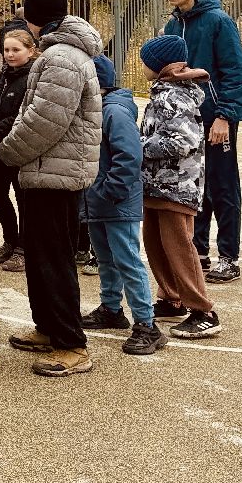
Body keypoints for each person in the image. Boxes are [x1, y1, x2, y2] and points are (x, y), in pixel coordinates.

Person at [0, 0, 102, 377]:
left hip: (55, 173)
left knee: (55, 259)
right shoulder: (59, 53)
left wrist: (8, 151)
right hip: (44, 171)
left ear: (33, 17)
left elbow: (46, 121)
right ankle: (48, 328)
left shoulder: (62, 57)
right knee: (40, 256)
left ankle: (72, 345)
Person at [163, 0, 242, 284]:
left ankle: (229, 257)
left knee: (223, 184)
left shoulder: (218, 21)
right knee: (193, 184)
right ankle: (198, 252)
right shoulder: (172, 25)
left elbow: (236, 72)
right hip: (187, 118)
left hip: (216, 115)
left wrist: (225, 117)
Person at [80, 56, 168, 355]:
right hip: (98, 200)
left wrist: (108, 190)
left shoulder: (115, 111)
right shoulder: (95, 109)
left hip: (115, 201)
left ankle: (146, 324)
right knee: (105, 259)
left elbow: (129, 156)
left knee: (127, 261)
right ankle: (111, 308)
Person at [139, 35, 222, 339]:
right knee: (155, 242)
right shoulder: (163, 93)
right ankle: (172, 298)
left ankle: (203, 310)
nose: (142, 65)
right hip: (156, 185)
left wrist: (139, 146)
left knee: (179, 245)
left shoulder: (175, 97)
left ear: (160, 65)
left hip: (176, 185)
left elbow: (183, 141)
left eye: (146, 60)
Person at [0, 29, 36, 272]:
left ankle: (23, 248)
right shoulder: (2, 76)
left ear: (30, 51)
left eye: (16, 50)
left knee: (23, 200)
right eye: (6, 50)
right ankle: (9, 240)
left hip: (19, 148)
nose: (10, 55)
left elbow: (23, 112)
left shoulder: (32, 77)